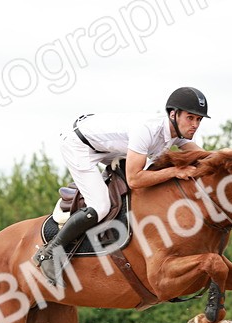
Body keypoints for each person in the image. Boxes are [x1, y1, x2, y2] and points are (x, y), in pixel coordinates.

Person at [33, 86, 210, 285]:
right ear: (173, 114)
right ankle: (49, 253)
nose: (195, 124)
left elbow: (204, 157)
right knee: (100, 206)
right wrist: (175, 171)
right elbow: (134, 179)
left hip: (108, 148)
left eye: (198, 120)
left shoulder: (176, 132)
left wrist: (231, 161)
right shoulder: (148, 130)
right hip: (80, 146)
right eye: (190, 118)